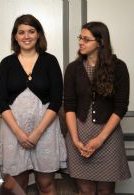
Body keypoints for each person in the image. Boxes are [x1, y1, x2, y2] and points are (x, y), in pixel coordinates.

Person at [0, 14, 67, 193]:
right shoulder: (6, 63)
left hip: (45, 131)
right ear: (15, 36)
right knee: (17, 188)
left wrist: (37, 133)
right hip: (13, 132)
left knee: (46, 185)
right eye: (21, 32)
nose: (26, 36)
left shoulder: (50, 61)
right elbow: (1, 102)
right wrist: (19, 133)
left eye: (31, 31)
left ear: (38, 35)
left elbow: (56, 100)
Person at [64, 21, 131, 194]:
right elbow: (69, 106)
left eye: (86, 39)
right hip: (79, 136)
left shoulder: (119, 68)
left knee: (105, 191)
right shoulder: (73, 69)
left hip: (108, 137)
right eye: (80, 38)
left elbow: (121, 107)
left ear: (100, 42)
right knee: (84, 190)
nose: (80, 42)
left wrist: (100, 139)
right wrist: (75, 139)